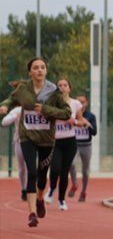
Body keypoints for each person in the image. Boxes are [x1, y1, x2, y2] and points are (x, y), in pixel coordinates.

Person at [0, 58, 71, 227]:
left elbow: (66, 113)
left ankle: (40, 198)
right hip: (27, 137)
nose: (39, 70)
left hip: (46, 139)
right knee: (31, 172)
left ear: (46, 71)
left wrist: (46, 110)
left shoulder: (53, 90)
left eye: (42, 67)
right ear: (30, 72)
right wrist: (4, 106)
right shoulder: (23, 88)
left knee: (41, 175)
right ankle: (32, 213)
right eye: (35, 68)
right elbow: (11, 99)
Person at [46, 79, 84, 210]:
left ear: (69, 88)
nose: (62, 87)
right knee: (55, 168)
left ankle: (61, 200)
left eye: (65, 85)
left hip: (70, 141)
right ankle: (51, 189)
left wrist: (73, 122)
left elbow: (81, 121)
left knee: (64, 172)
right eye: (60, 85)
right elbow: (46, 118)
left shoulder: (75, 103)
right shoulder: (53, 103)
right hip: (55, 140)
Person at [68, 95, 97, 202]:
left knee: (85, 171)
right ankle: (74, 183)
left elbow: (94, 132)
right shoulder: (72, 114)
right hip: (74, 144)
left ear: (86, 103)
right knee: (71, 164)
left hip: (86, 146)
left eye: (83, 102)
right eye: (79, 101)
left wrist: (87, 124)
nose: (81, 104)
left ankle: (83, 191)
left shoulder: (91, 116)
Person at [1, 106, 28, 201]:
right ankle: (24, 189)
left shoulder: (36, 108)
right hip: (19, 141)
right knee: (21, 167)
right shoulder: (18, 110)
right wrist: (15, 116)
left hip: (33, 142)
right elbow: (4, 122)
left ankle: (30, 189)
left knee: (30, 166)